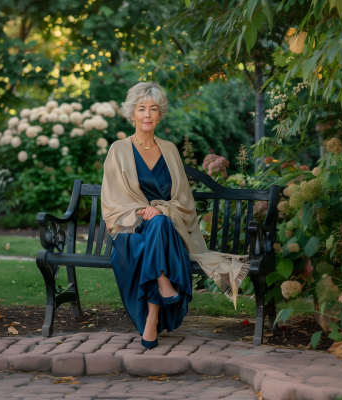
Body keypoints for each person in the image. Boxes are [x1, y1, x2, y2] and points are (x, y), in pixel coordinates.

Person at [101, 81, 250, 350]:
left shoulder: (169, 150)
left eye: (153, 109)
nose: (147, 115)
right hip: (130, 232)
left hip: (165, 228)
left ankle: (152, 317)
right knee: (155, 226)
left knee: (160, 222)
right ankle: (161, 282)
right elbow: (113, 201)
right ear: (132, 114)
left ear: (160, 114)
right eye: (141, 109)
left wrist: (161, 209)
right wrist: (141, 212)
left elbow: (183, 200)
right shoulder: (118, 150)